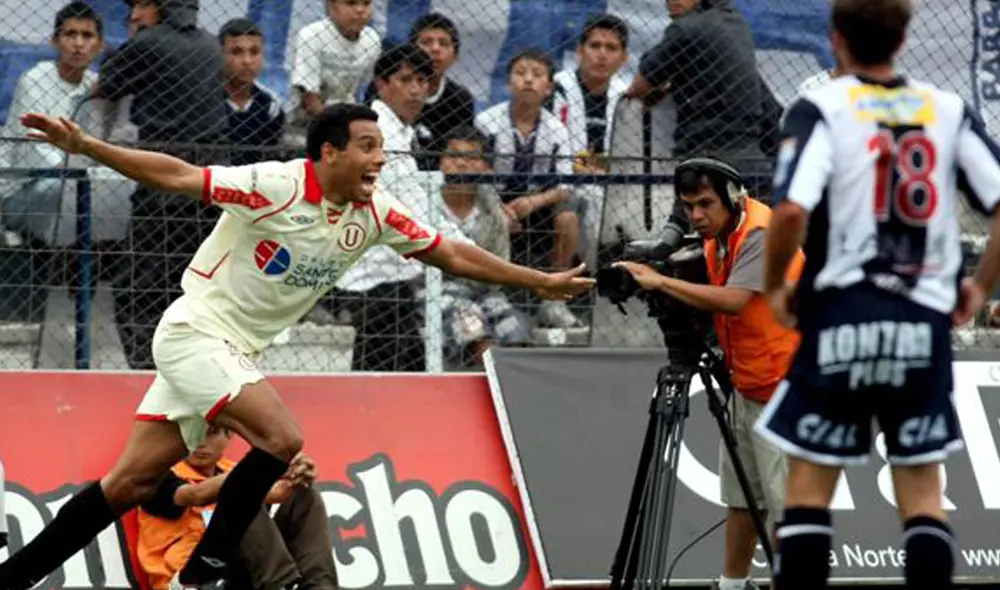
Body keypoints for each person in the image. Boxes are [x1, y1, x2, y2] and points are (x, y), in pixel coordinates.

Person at [0, 103, 594, 590]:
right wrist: (88, 147)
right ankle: (204, 571)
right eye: (366, 145)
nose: (380, 157)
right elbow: (181, 176)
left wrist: (539, 280)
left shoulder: (375, 214)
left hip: (232, 351)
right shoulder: (276, 185)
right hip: (195, 333)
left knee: (127, 485)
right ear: (329, 152)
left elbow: (454, 253)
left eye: (382, 146)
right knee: (282, 438)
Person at [754, 0, 1000, 588]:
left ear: (835, 38)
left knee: (810, 485)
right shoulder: (945, 109)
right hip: (921, 321)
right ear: (905, 36)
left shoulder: (822, 107)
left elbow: (789, 210)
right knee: (921, 492)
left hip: (841, 315)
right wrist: (980, 284)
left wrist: (775, 286)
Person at [614, 158, 801, 590]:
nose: (696, 215)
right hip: (748, 380)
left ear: (733, 198)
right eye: (688, 206)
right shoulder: (721, 233)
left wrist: (659, 282)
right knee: (742, 497)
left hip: (787, 387)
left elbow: (734, 300)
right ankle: (732, 584)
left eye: (705, 204)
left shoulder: (759, 231)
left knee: (788, 507)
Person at [137, 426, 335, 590]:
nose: (200, 442)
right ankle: (279, 586)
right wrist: (258, 478)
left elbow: (263, 499)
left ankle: (318, 586)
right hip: (193, 580)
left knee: (303, 495)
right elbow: (194, 495)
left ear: (229, 434)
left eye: (211, 432)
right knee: (242, 497)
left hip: (236, 576)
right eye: (192, 433)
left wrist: (294, 474)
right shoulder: (157, 475)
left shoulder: (234, 471)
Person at [476, 49, 584, 328]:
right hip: (494, 199)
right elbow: (479, 175)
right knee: (487, 213)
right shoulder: (487, 122)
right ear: (508, 82)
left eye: (537, 75)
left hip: (539, 202)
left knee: (569, 216)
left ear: (548, 88)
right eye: (520, 73)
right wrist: (500, 209)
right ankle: (490, 294)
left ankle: (555, 301)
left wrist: (533, 203)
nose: (528, 80)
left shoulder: (556, 128)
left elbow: (565, 184)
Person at [0, 1, 104, 246]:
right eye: (70, 34)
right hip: (21, 191)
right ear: (54, 41)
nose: (78, 44)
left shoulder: (96, 85)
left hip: (79, 181)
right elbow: (33, 152)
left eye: (87, 35)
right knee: (62, 187)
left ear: (100, 45)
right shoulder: (36, 79)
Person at [218, 18, 285, 166]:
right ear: (220, 55)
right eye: (237, 52)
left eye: (254, 52)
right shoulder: (206, 99)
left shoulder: (271, 105)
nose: (247, 61)